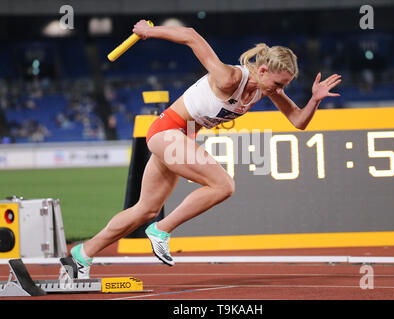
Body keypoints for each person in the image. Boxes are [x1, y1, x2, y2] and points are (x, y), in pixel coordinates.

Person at [65, 20, 341, 278]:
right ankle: (161, 231)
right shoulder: (230, 78)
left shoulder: (266, 90)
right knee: (223, 185)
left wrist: (314, 100)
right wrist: (150, 32)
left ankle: (82, 253)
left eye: (285, 86)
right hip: (166, 132)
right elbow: (191, 36)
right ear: (263, 70)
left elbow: (298, 121)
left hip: (177, 138)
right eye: (278, 84)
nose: (279, 90)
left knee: (146, 209)